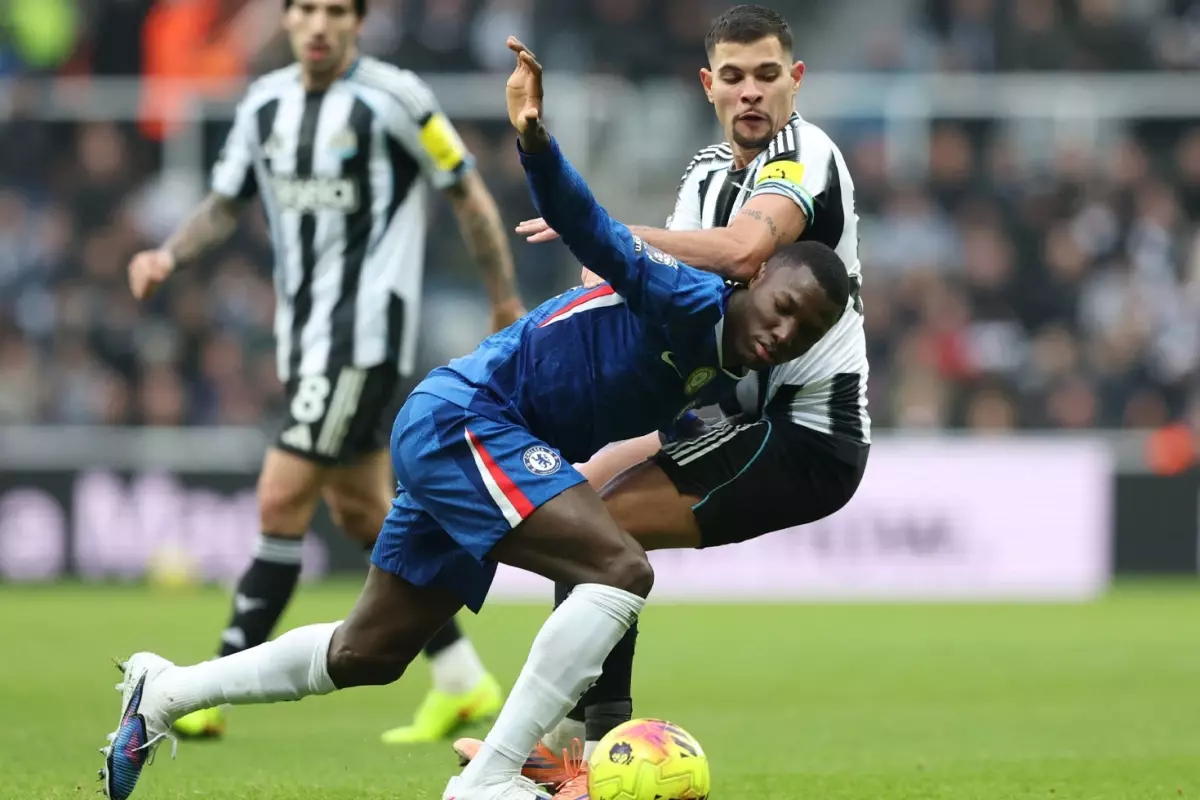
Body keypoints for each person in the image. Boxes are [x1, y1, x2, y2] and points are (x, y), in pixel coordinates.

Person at [98, 36, 851, 800]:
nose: (785, 333)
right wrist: (535, 141)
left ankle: (165, 692)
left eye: (807, 332)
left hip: (472, 435)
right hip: (467, 420)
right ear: (756, 277)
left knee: (369, 652)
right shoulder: (689, 297)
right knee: (620, 567)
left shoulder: (728, 363)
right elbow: (596, 232)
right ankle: (490, 778)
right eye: (784, 307)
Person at [454, 7, 871, 798]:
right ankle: (566, 744)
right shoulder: (706, 172)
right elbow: (661, 292)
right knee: (577, 502)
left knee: (601, 530)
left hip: (809, 434)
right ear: (709, 85)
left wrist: (612, 234)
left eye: (768, 75)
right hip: (732, 409)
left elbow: (745, 251)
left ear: (795, 80)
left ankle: (590, 751)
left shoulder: (806, 153)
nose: (752, 93)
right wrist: (613, 267)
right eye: (734, 77)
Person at [125, 0, 521, 745]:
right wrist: (167, 255)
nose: (318, 24)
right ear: (285, 17)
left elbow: (466, 192)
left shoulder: (397, 97)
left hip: (365, 340)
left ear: (357, 21)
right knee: (364, 513)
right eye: (305, 8)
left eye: (335, 10)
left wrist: (502, 298)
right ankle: (463, 680)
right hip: (304, 342)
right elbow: (224, 203)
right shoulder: (264, 104)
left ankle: (205, 689)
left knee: (281, 497)